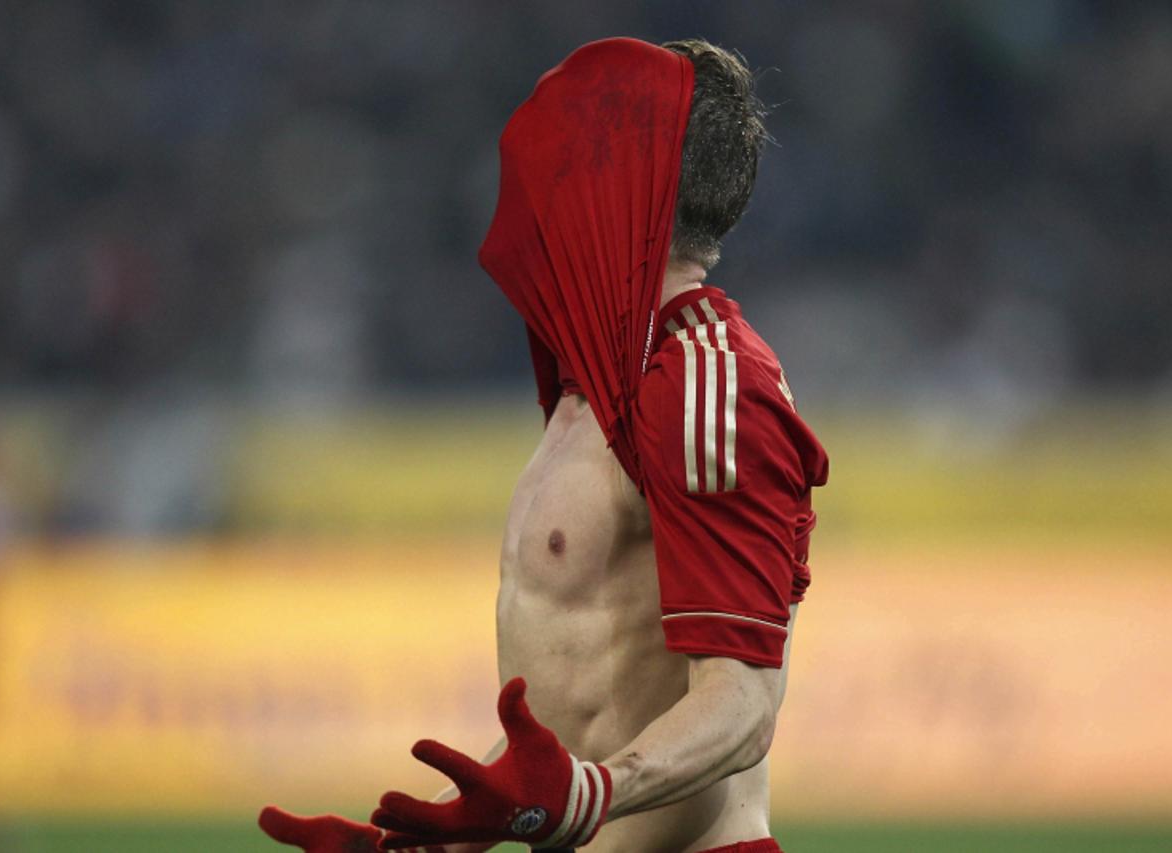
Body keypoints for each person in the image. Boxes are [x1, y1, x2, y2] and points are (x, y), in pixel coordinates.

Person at [260, 36, 827, 853]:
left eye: (573, 159)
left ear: (627, 182)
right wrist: (419, 846)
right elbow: (581, 715)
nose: (538, 190)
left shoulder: (704, 383)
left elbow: (741, 705)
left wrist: (588, 793)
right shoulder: (593, 385)